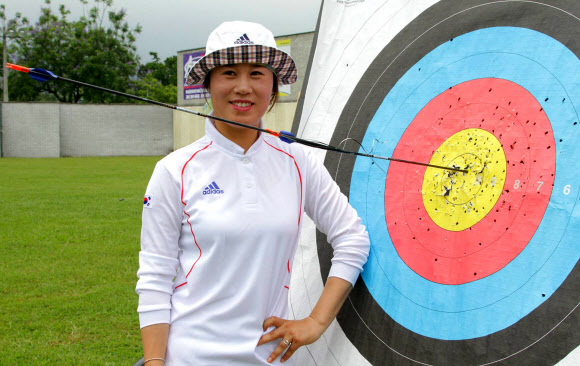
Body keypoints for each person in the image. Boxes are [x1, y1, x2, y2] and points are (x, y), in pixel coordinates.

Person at [136, 21, 370, 366]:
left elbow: (353, 238)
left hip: (270, 355)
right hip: (190, 355)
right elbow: (155, 277)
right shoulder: (174, 170)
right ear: (209, 84)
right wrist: (155, 362)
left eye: (257, 74)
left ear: (274, 86)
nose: (243, 87)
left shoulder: (297, 160)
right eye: (229, 73)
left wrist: (317, 321)